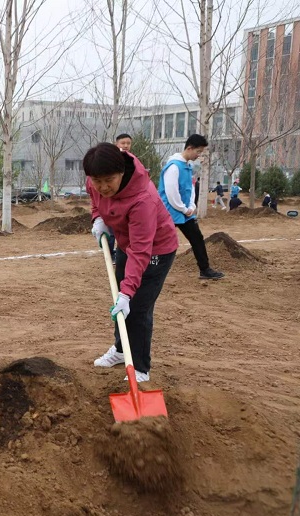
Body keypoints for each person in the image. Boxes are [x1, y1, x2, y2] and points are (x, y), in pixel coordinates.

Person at [85, 143, 179, 383]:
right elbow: (95, 199)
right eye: (98, 181)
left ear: (122, 173)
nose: (103, 187)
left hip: (155, 250)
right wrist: (98, 218)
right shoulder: (93, 182)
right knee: (120, 303)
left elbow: (141, 251)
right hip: (128, 245)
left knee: (136, 308)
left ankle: (139, 367)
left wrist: (128, 293)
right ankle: (120, 350)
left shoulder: (142, 198)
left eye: (109, 180)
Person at [158, 134, 225, 280]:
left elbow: (191, 188)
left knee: (197, 238)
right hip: (168, 212)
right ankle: (145, 268)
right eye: (198, 152)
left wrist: (191, 205)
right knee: (156, 241)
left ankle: (205, 269)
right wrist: (184, 208)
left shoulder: (187, 166)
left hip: (184, 212)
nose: (199, 155)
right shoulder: (174, 166)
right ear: (189, 148)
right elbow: (171, 193)